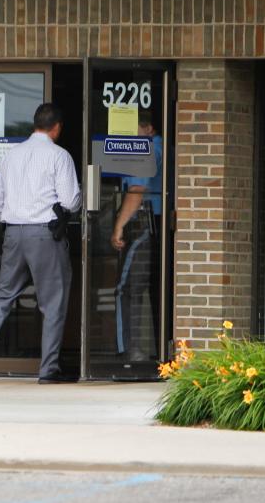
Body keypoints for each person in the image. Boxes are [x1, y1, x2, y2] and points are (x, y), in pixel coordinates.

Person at [0, 103, 82, 384]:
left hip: (13, 234)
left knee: (2, 296)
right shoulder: (59, 156)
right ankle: (48, 370)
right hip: (45, 235)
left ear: (35, 124)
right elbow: (71, 201)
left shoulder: (11, 156)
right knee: (53, 303)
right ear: (57, 127)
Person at [111, 112, 162, 364]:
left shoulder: (145, 149)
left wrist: (119, 226)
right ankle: (160, 350)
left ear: (148, 128)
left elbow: (137, 190)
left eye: (131, 130)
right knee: (157, 290)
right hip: (158, 225)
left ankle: (130, 351)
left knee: (128, 289)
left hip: (143, 223)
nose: (127, 137)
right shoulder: (161, 146)